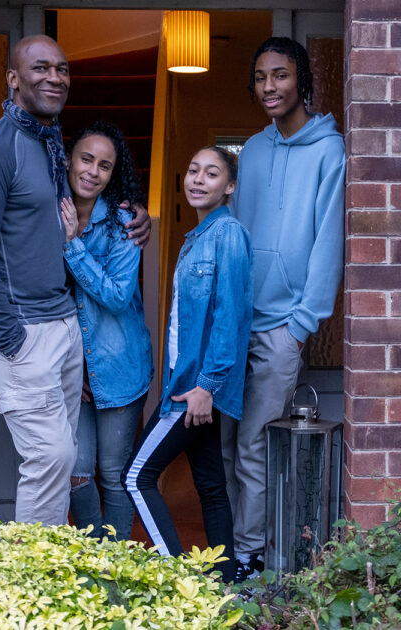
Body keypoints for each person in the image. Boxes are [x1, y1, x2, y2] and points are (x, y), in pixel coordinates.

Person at [0, 35, 150, 525]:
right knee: (52, 459)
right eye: (40, 68)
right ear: (13, 78)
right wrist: (10, 339)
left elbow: (68, 220)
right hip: (22, 333)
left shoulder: (49, 145)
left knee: (62, 467)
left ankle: (58, 576)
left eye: (62, 69)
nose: (54, 77)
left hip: (63, 328)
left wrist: (137, 212)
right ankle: (29, 585)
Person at [224, 36, 345, 580]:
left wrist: (302, 324)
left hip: (281, 328)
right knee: (228, 445)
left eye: (279, 75)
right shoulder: (252, 151)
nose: (269, 87)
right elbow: (237, 233)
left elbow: (328, 242)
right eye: (259, 77)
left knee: (254, 443)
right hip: (237, 322)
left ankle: (253, 556)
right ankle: (242, 547)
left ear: (302, 82)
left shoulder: (329, 151)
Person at [123, 146, 252, 581]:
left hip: (195, 391)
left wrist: (207, 387)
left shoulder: (227, 234)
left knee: (135, 477)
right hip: (192, 386)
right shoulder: (195, 238)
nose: (198, 179)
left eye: (211, 173)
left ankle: (177, 580)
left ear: (229, 186)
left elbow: (229, 317)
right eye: (193, 170)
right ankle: (225, 588)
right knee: (212, 488)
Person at [60, 121, 152, 541]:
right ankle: (95, 558)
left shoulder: (124, 225)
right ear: (68, 159)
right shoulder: (43, 213)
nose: (93, 171)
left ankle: (116, 566)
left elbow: (117, 296)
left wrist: (72, 246)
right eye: (86, 159)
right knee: (77, 475)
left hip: (119, 367)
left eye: (105, 166)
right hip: (71, 371)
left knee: (114, 475)